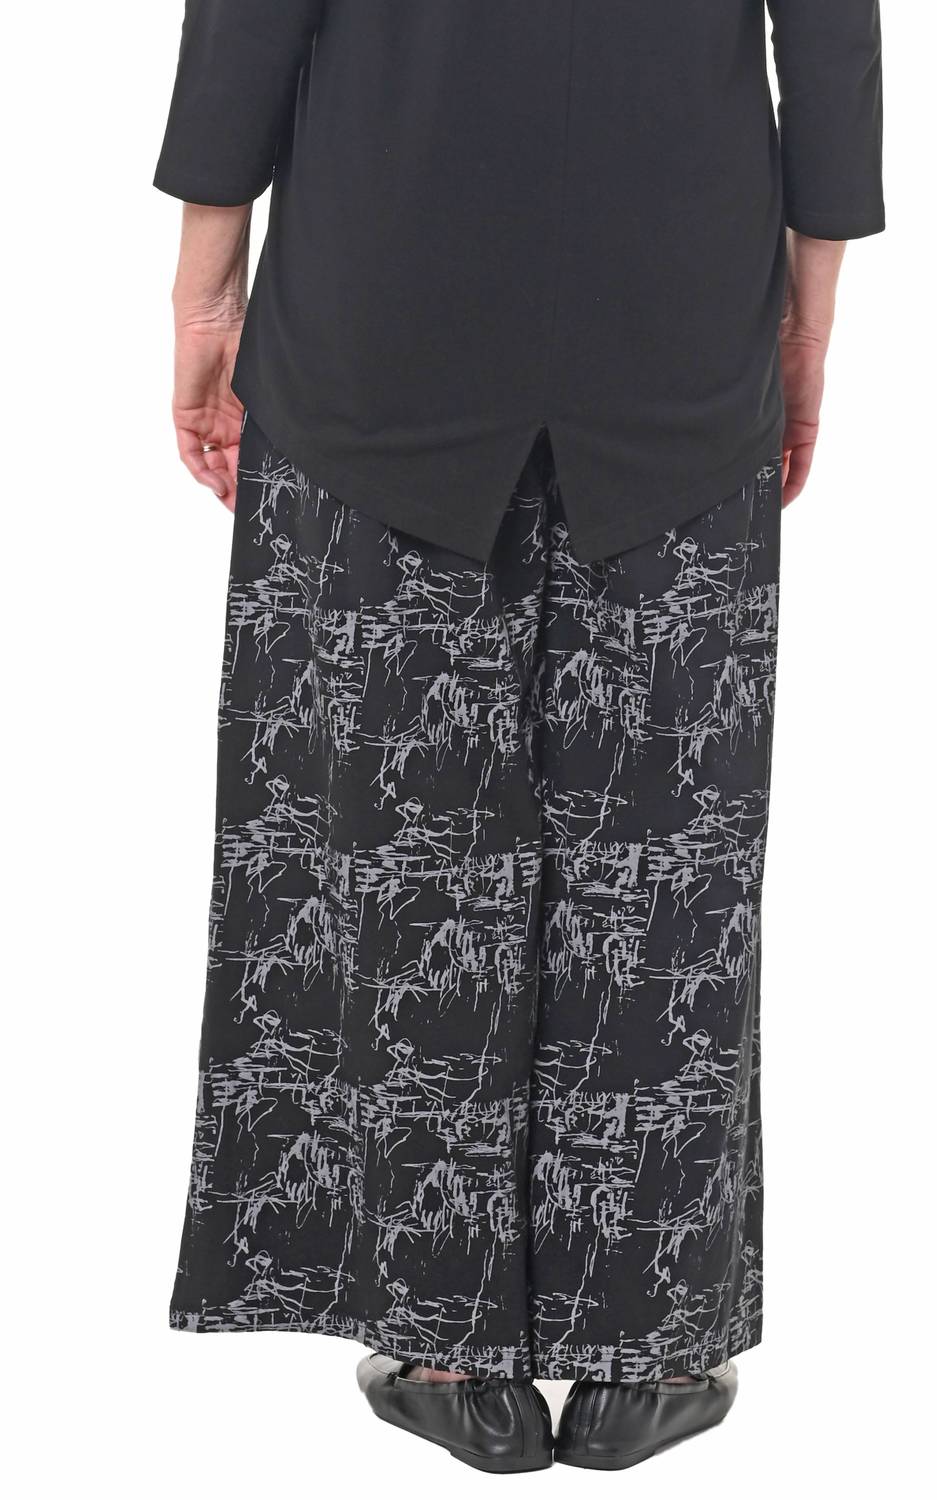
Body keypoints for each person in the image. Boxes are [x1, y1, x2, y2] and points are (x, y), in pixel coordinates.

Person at [154, 1, 884, 1474]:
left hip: (383, 283)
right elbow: (828, 27)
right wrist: (808, 322)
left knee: (400, 827)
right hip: (677, 302)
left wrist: (204, 293)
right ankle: (648, 1342)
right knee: (665, 846)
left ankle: (445, 1340)